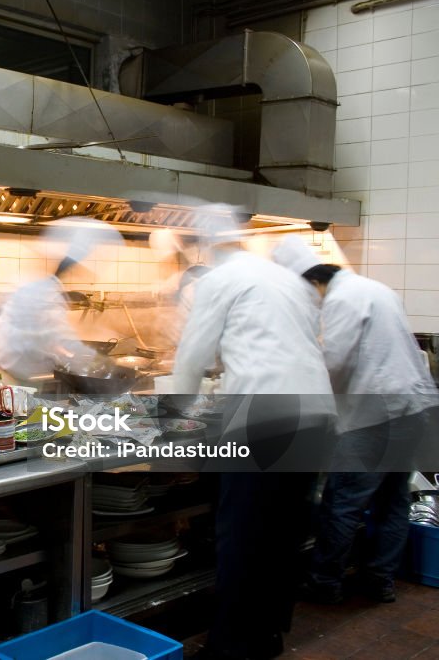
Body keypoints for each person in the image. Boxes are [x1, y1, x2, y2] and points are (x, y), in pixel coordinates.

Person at [174, 211, 336, 660]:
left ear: (206, 246)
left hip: (265, 420)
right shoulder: (288, 280)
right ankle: (269, 634)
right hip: (315, 415)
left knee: (243, 536)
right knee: (283, 534)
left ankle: (230, 647)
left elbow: (192, 357)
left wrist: (171, 416)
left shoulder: (217, 280)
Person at [273, 234, 439, 604]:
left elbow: (336, 360)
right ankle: (379, 580)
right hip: (412, 408)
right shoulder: (374, 288)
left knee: (343, 500)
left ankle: (323, 583)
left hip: (377, 416)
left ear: (313, 283)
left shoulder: (341, 299)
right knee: (392, 500)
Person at [0, 218, 122, 383]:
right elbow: (60, 336)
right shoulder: (40, 291)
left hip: (26, 378)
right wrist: (99, 361)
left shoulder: (41, 286)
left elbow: (49, 338)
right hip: (15, 383)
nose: (82, 273)